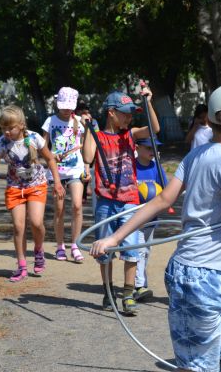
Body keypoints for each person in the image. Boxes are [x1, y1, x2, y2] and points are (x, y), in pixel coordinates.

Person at [90, 82, 221, 372]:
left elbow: (162, 200)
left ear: (209, 120)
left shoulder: (195, 156)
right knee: (198, 365)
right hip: (202, 276)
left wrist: (114, 238)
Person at [82, 86, 160, 315]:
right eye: (125, 113)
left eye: (131, 113)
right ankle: (108, 292)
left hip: (129, 201)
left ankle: (127, 294)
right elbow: (87, 156)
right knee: (104, 251)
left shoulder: (130, 135)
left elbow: (154, 128)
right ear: (111, 112)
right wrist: (89, 130)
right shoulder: (98, 136)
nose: (129, 117)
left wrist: (148, 102)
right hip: (105, 201)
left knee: (132, 249)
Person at [0, 105, 65, 282]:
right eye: (3, 128)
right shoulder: (1, 143)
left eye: (10, 128)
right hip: (15, 188)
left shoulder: (34, 138)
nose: (7, 131)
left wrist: (57, 182)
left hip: (36, 184)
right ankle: (22, 266)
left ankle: (39, 250)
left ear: (21, 125)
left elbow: (50, 159)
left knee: (36, 222)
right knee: (18, 227)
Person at [42, 87, 91, 263]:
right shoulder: (50, 121)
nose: (66, 109)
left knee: (77, 206)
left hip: (76, 169)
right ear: (57, 104)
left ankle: (75, 246)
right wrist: (50, 156)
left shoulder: (79, 121)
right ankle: (60, 246)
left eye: (69, 106)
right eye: (63, 106)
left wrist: (87, 167)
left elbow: (86, 147)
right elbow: (42, 146)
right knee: (59, 209)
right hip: (56, 171)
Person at [133, 136, 168, 301]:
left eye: (155, 148)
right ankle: (139, 286)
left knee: (146, 250)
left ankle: (140, 282)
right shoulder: (131, 167)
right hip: (136, 216)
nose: (152, 151)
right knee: (139, 250)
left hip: (152, 217)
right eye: (148, 148)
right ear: (137, 148)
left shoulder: (157, 167)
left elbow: (166, 189)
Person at [74, 99, 99, 203]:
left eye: (86, 111)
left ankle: (84, 192)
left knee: (87, 172)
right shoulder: (74, 121)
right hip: (78, 150)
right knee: (82, 172)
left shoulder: (93, 121)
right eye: (82, 111)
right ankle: (82, 194)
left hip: (90, 149)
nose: (85, 113)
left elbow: (97, 135)